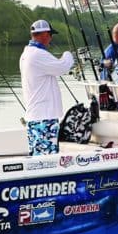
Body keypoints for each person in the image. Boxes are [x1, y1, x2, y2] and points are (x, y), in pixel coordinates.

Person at [20, 19, 75, 155]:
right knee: (47, 160)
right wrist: (68, 54)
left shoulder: (27, 54)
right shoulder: (38, 55)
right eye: (50, 35)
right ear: (44, 34)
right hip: (44, 118)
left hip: (37, 117)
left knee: (39, 158)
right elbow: (62, 67)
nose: (51, 38)